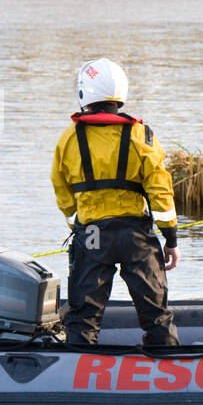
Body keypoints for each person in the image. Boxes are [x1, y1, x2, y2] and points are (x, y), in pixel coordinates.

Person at [52, 58, 180, 346]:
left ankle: (74, 372)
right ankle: (169, 366)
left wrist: (77, 220)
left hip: (93, 235)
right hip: (136, 235)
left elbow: (61, 189)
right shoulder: (141, 135)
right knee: (156, 314)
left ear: (86, 93)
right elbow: (161, 191)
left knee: (83, 316)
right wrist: (170, 237)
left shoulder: (69, 138)